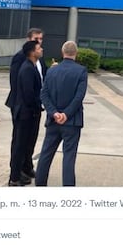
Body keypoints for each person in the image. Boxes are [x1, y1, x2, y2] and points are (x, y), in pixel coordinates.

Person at [35, 41, 88, 187]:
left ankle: (40, 184)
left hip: (53, 121)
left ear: (62, 51)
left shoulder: (52, 70)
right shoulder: (81, 71)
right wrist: (66, 114)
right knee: (69, 157)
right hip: (72, 122)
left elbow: (44, 94)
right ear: (76, 53)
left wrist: (54, 113)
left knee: (46, 154)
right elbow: (79, 96)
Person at [5, 28, 46, 179]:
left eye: (41, 39)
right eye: (36, 39)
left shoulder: (39, 58)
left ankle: (27, 166)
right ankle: (16, 172)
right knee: (20, 141)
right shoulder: (21, 58)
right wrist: (21, 105)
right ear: (28, 39)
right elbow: (16, 83)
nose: (39, 42)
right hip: (22, 106)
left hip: (35, 106)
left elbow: (42, 78)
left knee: (31, 139)